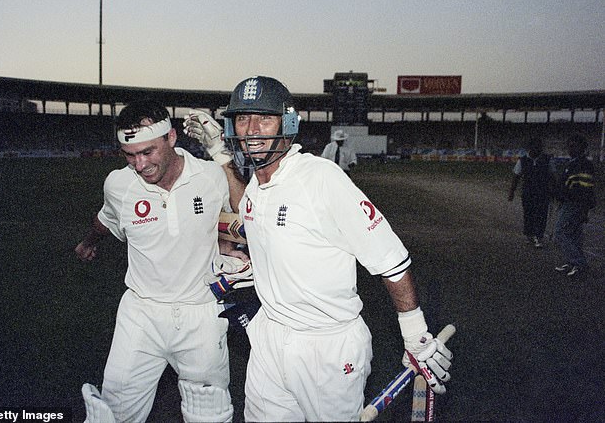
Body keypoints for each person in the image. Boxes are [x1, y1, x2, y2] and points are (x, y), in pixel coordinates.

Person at [187, 76, 453, 421]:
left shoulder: (321, 178)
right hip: (269, 337)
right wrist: (220, 156)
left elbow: (389, 258)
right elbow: (248, 216)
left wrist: (415, 333)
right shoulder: (256, 184)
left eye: (264, 118)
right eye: (242, 119)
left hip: (327, 347)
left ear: (288, 123)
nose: (251, 129)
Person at [75, 99, 241, 423]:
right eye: (130, 155)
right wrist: (88, 243)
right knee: (113, 412)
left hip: (201, 312)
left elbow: (244, 209)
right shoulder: (118, 185)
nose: (139, 164)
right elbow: (105, 219)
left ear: (171, 138)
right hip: (140, 313)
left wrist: (221, 154)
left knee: (209, 414)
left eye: (148, 151)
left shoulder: (210, 176)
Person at [553, 134, 596, 277]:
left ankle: (578, 263)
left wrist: (584, 211)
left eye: (574, 146)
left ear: (582, 148)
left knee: (559, 232)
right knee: (574, 234)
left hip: (575, 204)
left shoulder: (583, 164)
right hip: (568, 202)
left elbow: (585, 189)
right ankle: (573, 263)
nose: (570, 148)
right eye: (569, 145)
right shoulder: (573, 163)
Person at [507, 137, 554, 247]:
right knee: (529, 214)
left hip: (543, 192)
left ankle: (538, 236)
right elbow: (516, 177)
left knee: (542, 214)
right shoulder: (522, 160)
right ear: (530, 148)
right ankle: (529, 235)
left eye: (540, 147)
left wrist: (554, 190)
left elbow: (552, 176)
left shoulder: (547, 159)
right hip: (528, 192)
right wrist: (511, 192)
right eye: (536, 147)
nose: (538, 149)